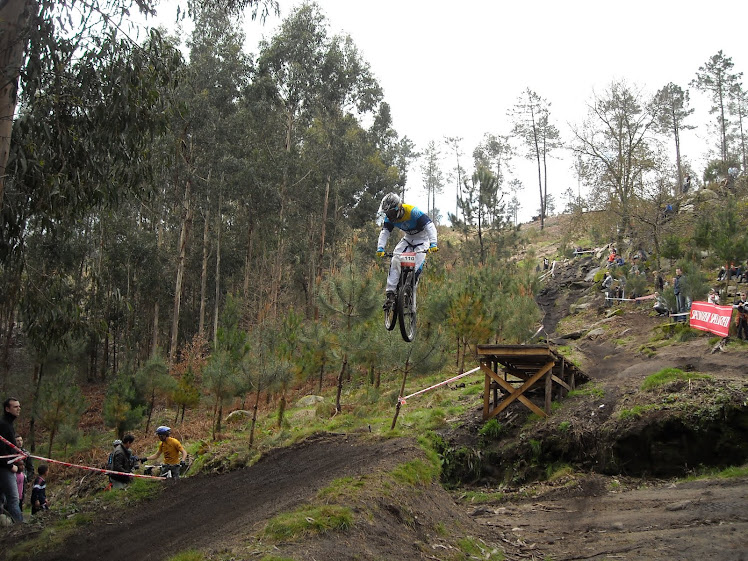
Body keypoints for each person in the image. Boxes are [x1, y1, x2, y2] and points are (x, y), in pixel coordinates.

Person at [376, 193, 438, 309]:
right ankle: (390, 293)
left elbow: (429, 226)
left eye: (391, 213)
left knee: (417, 266)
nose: (390, 216)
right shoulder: (389, 218)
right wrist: (380, 247)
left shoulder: (413, 212)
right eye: (387, 213)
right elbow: (385, 232)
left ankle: (410, 291)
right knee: (395, 259)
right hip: (408, 239)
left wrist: (433, 243)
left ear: (399, 208)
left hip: (422, 240)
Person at [0, 397, 23, 523]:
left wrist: (20, 454)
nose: (19, 409)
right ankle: (20, 528)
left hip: (6, 465)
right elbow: (2, 450)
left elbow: (10, 448)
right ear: (7, 409)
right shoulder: (3, 425)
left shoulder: (9, 425)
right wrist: (11, 466)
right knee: (13, 499)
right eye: (15, 407)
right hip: (4, 467)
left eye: (19, 406)